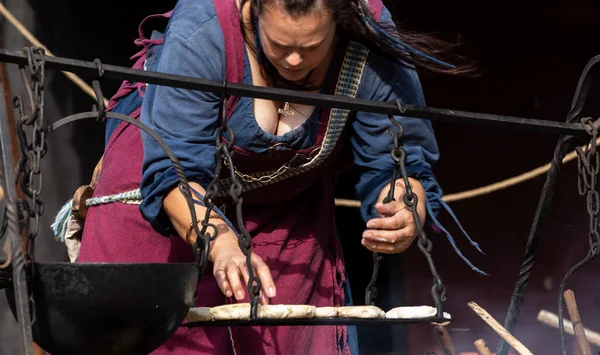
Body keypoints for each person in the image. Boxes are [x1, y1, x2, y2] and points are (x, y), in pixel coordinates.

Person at [53, 0, 483, 353]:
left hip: (287, 208)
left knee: (292, 336)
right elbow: (174, 169)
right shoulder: (203, 27)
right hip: (164, 209)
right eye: (279, 45)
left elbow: (398, 161)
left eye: (312, 47)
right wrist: (221, 242)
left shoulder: (367, 34)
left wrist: (404, 207)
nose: (295, 60)